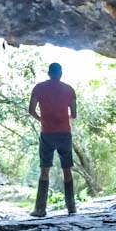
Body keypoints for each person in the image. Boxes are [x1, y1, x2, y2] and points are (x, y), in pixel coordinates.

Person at [28, 62, 77, 217]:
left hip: (47, 133)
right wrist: (64, 118)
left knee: (44, 170)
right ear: (61, 73)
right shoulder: (69, 90)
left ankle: (40, 209)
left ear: (49, 73)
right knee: (67, 170)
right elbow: (74, 114)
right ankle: (71, 207)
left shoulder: (39, 88)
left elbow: (31, 110)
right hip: (64, 133)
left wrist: (42, 119)